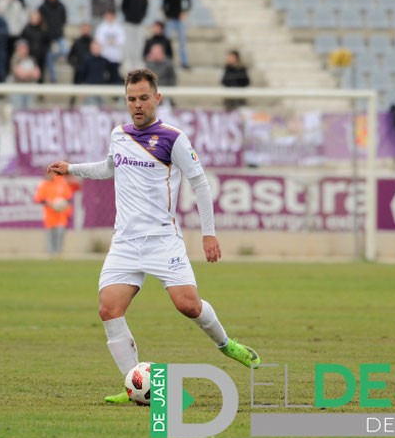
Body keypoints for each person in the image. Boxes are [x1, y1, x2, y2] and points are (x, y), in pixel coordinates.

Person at [47, 68, 261, 404]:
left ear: (157, 98)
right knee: (108, 310)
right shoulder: (119, 134)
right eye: (131, 99)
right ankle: (134, 384)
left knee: (187, 306)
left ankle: (226, 344)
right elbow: (108, 168)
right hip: (126, 242)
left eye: (144, 98)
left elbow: (200, 183)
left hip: (163, 240)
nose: (137, 105)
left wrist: (209, 234)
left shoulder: (173, 138)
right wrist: (71, 168)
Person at [33, 172, 80, 257]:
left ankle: (59, 254)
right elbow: (39, 199)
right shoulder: (44, 185)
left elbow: (68, 197)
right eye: (48, 174)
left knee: (60, 232)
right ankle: (51, 255)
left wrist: (63, 204)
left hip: (61, 214)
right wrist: (50, 204)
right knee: (51, 235)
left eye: (52, 173)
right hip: (49, 214)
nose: (50, 175)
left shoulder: (61, 183)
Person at [39, 0, 68, 84]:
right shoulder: (42, 7)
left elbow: (64, 20)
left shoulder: (61, 6)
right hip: (48, 38)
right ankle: (53, 79)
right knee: (48, 58)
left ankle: (53, 56)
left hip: (59, 35)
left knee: (65, 51)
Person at [162, 0, 191, 69]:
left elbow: (189, 3)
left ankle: (184, 62)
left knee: (182, 42)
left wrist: (184, 12)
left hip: (180, 20)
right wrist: (167, 15)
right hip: (170, 20)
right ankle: (166, 61)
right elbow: (164, 4)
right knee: (167, 41)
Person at [120, 0, 148, 71]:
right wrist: (128, 16)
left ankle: (137, 62)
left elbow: (145, 7)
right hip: (129, 22)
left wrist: (141, 16)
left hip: (139, 23)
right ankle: (128, 62)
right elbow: (123, 6)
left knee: (138, 43)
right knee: (128, 43)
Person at [0, 0, 28, 70]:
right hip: (3, 33)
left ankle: (12, 72)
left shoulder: (17, 3)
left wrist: (21, 28)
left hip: (14, 33)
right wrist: (7, 2)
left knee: (13, 55)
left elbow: (22, 17)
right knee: (3, 55)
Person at [94, 10, 125, 85]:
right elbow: (98, 40)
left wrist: (114, 42)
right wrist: (109, 41)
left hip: (115, 57)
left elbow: (122, 40)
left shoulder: (118, 27)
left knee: (114, 76)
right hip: (104, 56)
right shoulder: (101, 27)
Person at [9, 40, 40, 110]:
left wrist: (26, 73)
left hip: (29, 89)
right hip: (18, 89)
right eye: (21, 48)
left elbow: (37, 74)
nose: (24, 50)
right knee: (17, 110)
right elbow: (20, 74)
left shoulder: (31, 59)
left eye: (25, 47)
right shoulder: (15, 59)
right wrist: (30, 73)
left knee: (29, 110)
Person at [68, 23, 93, 107]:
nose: (85, 30)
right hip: (78, 72)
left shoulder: (92, 42)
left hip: (89, 73)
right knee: (74, 92)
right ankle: (70, 108)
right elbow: (70, 57)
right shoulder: (77, 42)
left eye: (87, 28)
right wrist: (76, 66)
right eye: (84, 28)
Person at [21, 10, 50, 84]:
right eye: (33, 17)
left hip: (40, 56)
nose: (35, 19)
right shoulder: (26, 29)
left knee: (40, 74)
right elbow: (22, 42)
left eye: (36, 17)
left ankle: (40, 93)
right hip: (29, 56)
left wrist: (44, 51)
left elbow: (47, 42)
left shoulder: (43, 29)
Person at [79, 40, 110, 106]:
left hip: (101, 89)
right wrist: (82, 90)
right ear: (91, 48)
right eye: (94, 47)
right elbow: (82, 76)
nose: (96, 49)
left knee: (103, 110)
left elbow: (109, 74)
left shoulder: (104, 61)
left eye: (98, 47)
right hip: (89, 89)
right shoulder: (86, 60)